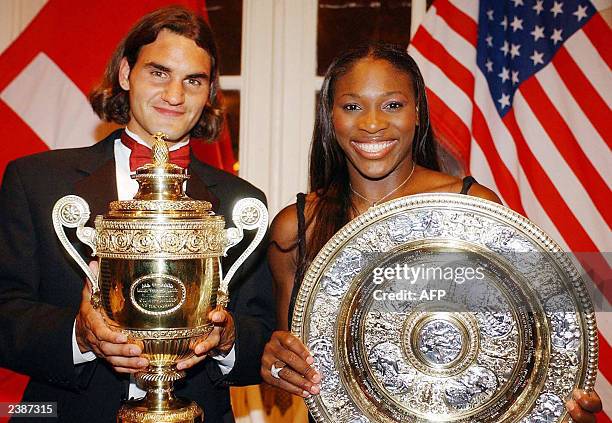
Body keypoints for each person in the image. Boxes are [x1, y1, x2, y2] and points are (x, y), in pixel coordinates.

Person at [260, 43, 601, 422]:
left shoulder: (472, 206)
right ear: (330, 116)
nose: (372, 122)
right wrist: (277, 365)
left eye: (392, 104)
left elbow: (522, 344)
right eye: (352, 106)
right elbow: (293, 365)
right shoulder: (297, 227)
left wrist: (558, 408)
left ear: (417, 112)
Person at [0, 6, 274, 422]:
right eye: (159, 73)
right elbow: (5, 312)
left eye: (193, 80)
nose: (175, 95)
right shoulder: (36, 181)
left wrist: (228, 338)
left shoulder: (241, 203)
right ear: (126, 73)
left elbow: (266, 340)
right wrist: (79, 334)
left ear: (210, 91)